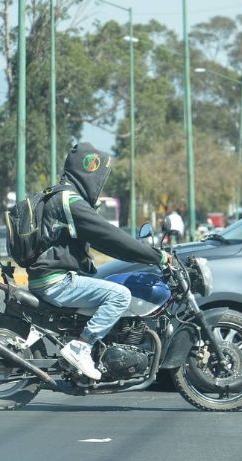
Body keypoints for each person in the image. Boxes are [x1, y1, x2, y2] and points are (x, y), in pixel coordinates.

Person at [28, 143, 171, 380]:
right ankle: (81, 346)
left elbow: (104, 241)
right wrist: (156, 256)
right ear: (88, 171)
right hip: (57, 281)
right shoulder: (69, 201)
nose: (100, 182)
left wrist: (138, 253)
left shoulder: (62, 196)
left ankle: (97, 352)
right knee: (120, 295)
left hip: (52, 277)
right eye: (100, 176)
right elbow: (109, 236)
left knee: (108, 286)